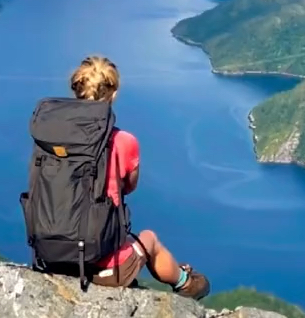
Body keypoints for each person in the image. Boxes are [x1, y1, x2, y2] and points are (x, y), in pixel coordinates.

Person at [69, 55, 210, 298]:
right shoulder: (123, 141)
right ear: (113, 95)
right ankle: (185, 283)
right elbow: (130, 186)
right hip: (100, 268)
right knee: (149, 239)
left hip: (54, 257)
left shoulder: (51, 139)